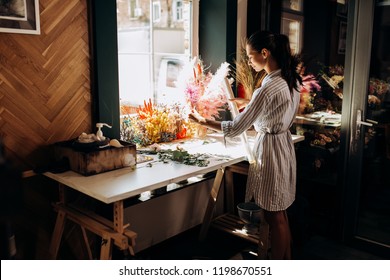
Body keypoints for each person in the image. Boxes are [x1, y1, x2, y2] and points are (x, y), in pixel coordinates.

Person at [190, 30, 302, 259]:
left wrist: (202, 121)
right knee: (280, 211)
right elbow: (276, 107)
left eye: (251, 57)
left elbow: (235, 127)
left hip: (271, 151)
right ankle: (286, 259)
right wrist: (250, 102)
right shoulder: (289, 80)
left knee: (273, 215)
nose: (249, 62)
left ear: (265, 53)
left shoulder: (268, 87)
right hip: (283, 146)